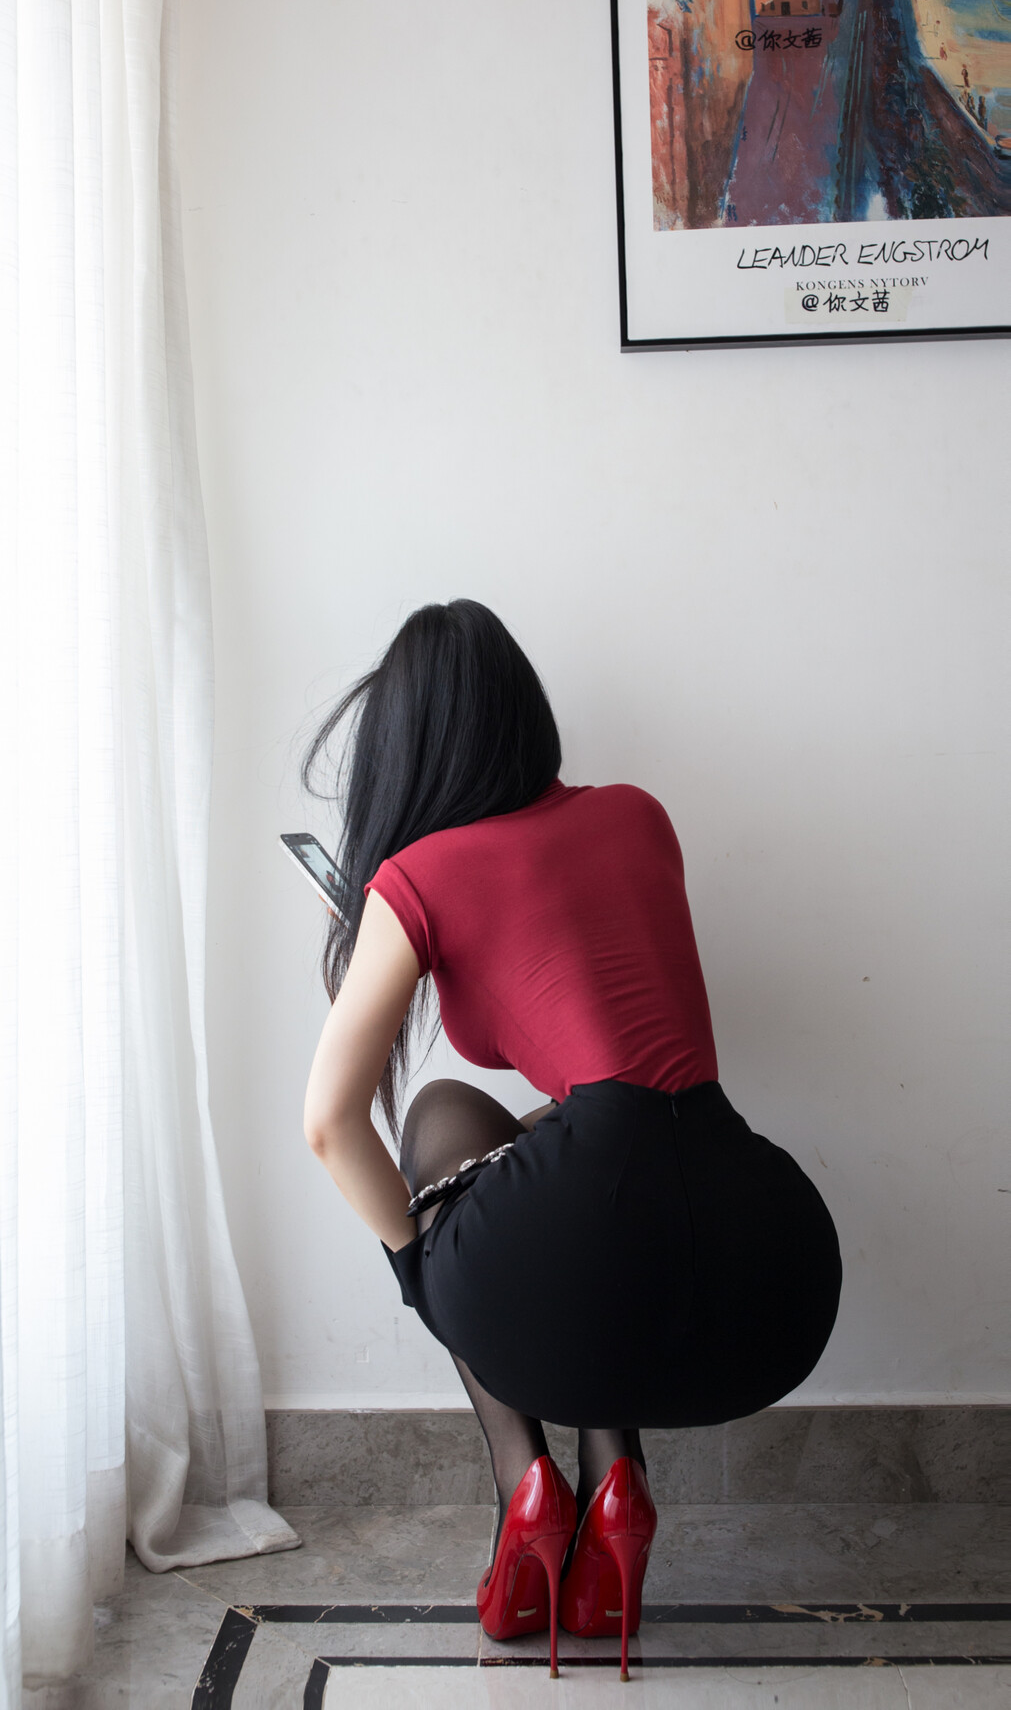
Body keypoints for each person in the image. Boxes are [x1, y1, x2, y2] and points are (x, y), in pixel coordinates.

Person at [301, 600, 842, 1681]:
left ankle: (525, 1487)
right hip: (771, 1261)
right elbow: (622, 1073)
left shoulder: (416, 879)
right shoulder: (638, 818)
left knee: (440, 1117)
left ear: (402, 750)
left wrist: (419, 1274)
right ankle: (611, 1498)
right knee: (577, 1146)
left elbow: (327, 1123)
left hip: (599, 1238)